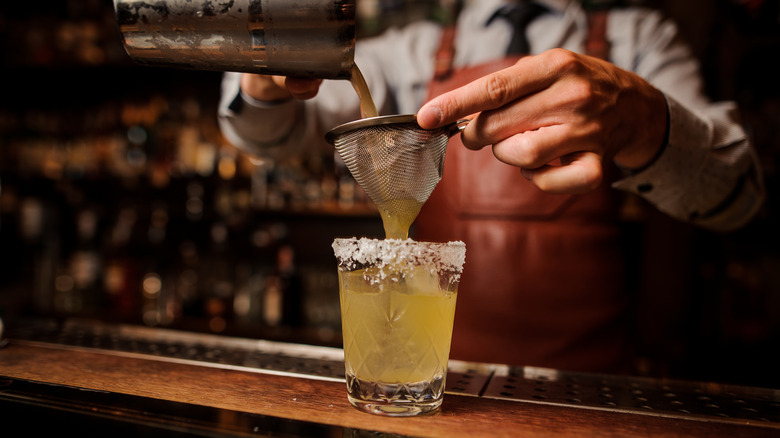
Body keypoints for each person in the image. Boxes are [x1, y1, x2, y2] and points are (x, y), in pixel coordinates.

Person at [217, 0, 765, 373]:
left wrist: (645, 122)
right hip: (438, 386)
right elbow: (274, 132)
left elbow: (740, 195)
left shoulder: (639, 38)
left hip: (592, 392)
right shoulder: (409, 49)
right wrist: (261, 74)